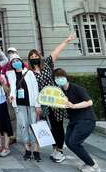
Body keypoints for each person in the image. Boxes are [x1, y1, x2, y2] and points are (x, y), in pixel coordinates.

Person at [28, 33, 76, 163]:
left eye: (36, 56)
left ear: (40, 57)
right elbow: (32, 90)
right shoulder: (29, 73)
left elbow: (56, 52)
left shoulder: (47, 64)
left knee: (57, 125)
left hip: (55, 100)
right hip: (42, 102)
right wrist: (37, 105)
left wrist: (66, 41)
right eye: (32, 57)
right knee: (45, 126)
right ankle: (55, 146)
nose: (34, 58)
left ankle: (59, 150)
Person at [54, 68, 101, 172]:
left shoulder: (76, 88)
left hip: (86, 120)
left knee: (74, 142)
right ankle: (87, 162)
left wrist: (74, 106)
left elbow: (89, 102)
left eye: (61, 77)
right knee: (68, 142)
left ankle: (94, 166)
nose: (59, 79)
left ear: (65, 77)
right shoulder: (61, 91)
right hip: (74, 121)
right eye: (56, 78)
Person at [7, 53, 42, 161]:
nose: (16, 63)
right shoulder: (10, 74)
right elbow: (12, 88)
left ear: (21, 62)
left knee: (34, 125)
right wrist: (11, 96)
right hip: (19, 104)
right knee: (23, 126)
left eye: (17, 61)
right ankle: (27, 149)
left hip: (31, 103)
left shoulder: (29, 73)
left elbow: (35, 89)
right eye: (13, 62)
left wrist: (38, 105)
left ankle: (36, 149)